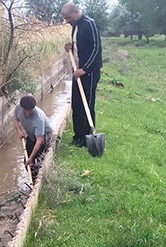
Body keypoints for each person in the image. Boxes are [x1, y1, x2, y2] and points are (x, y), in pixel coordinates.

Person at [61, 2, 103, 147]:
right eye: (65, 18)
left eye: (68, 17)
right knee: (77, 105)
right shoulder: (75, 27)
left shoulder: (89, 24)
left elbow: (96, 48)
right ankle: (78, 135)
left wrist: (85, 69)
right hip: (78, 71)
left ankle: (87, 137)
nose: (67, 21)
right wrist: (70, 48)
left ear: (77, 12)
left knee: (87, 104)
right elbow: (81, 47)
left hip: (89, 73)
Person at [13, 94, 54, 182]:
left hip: (44, 138)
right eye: (25, 111)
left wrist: (31, 157)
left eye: (30, 111)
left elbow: (40, 140)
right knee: (26, 162)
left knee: (38, 162)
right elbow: (16, 119)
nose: (27, 113)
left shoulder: (38, 119)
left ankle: (37, 182)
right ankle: (32, 179)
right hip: (32, 136)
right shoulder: (18, 108)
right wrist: (19, 131)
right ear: (22, 107)